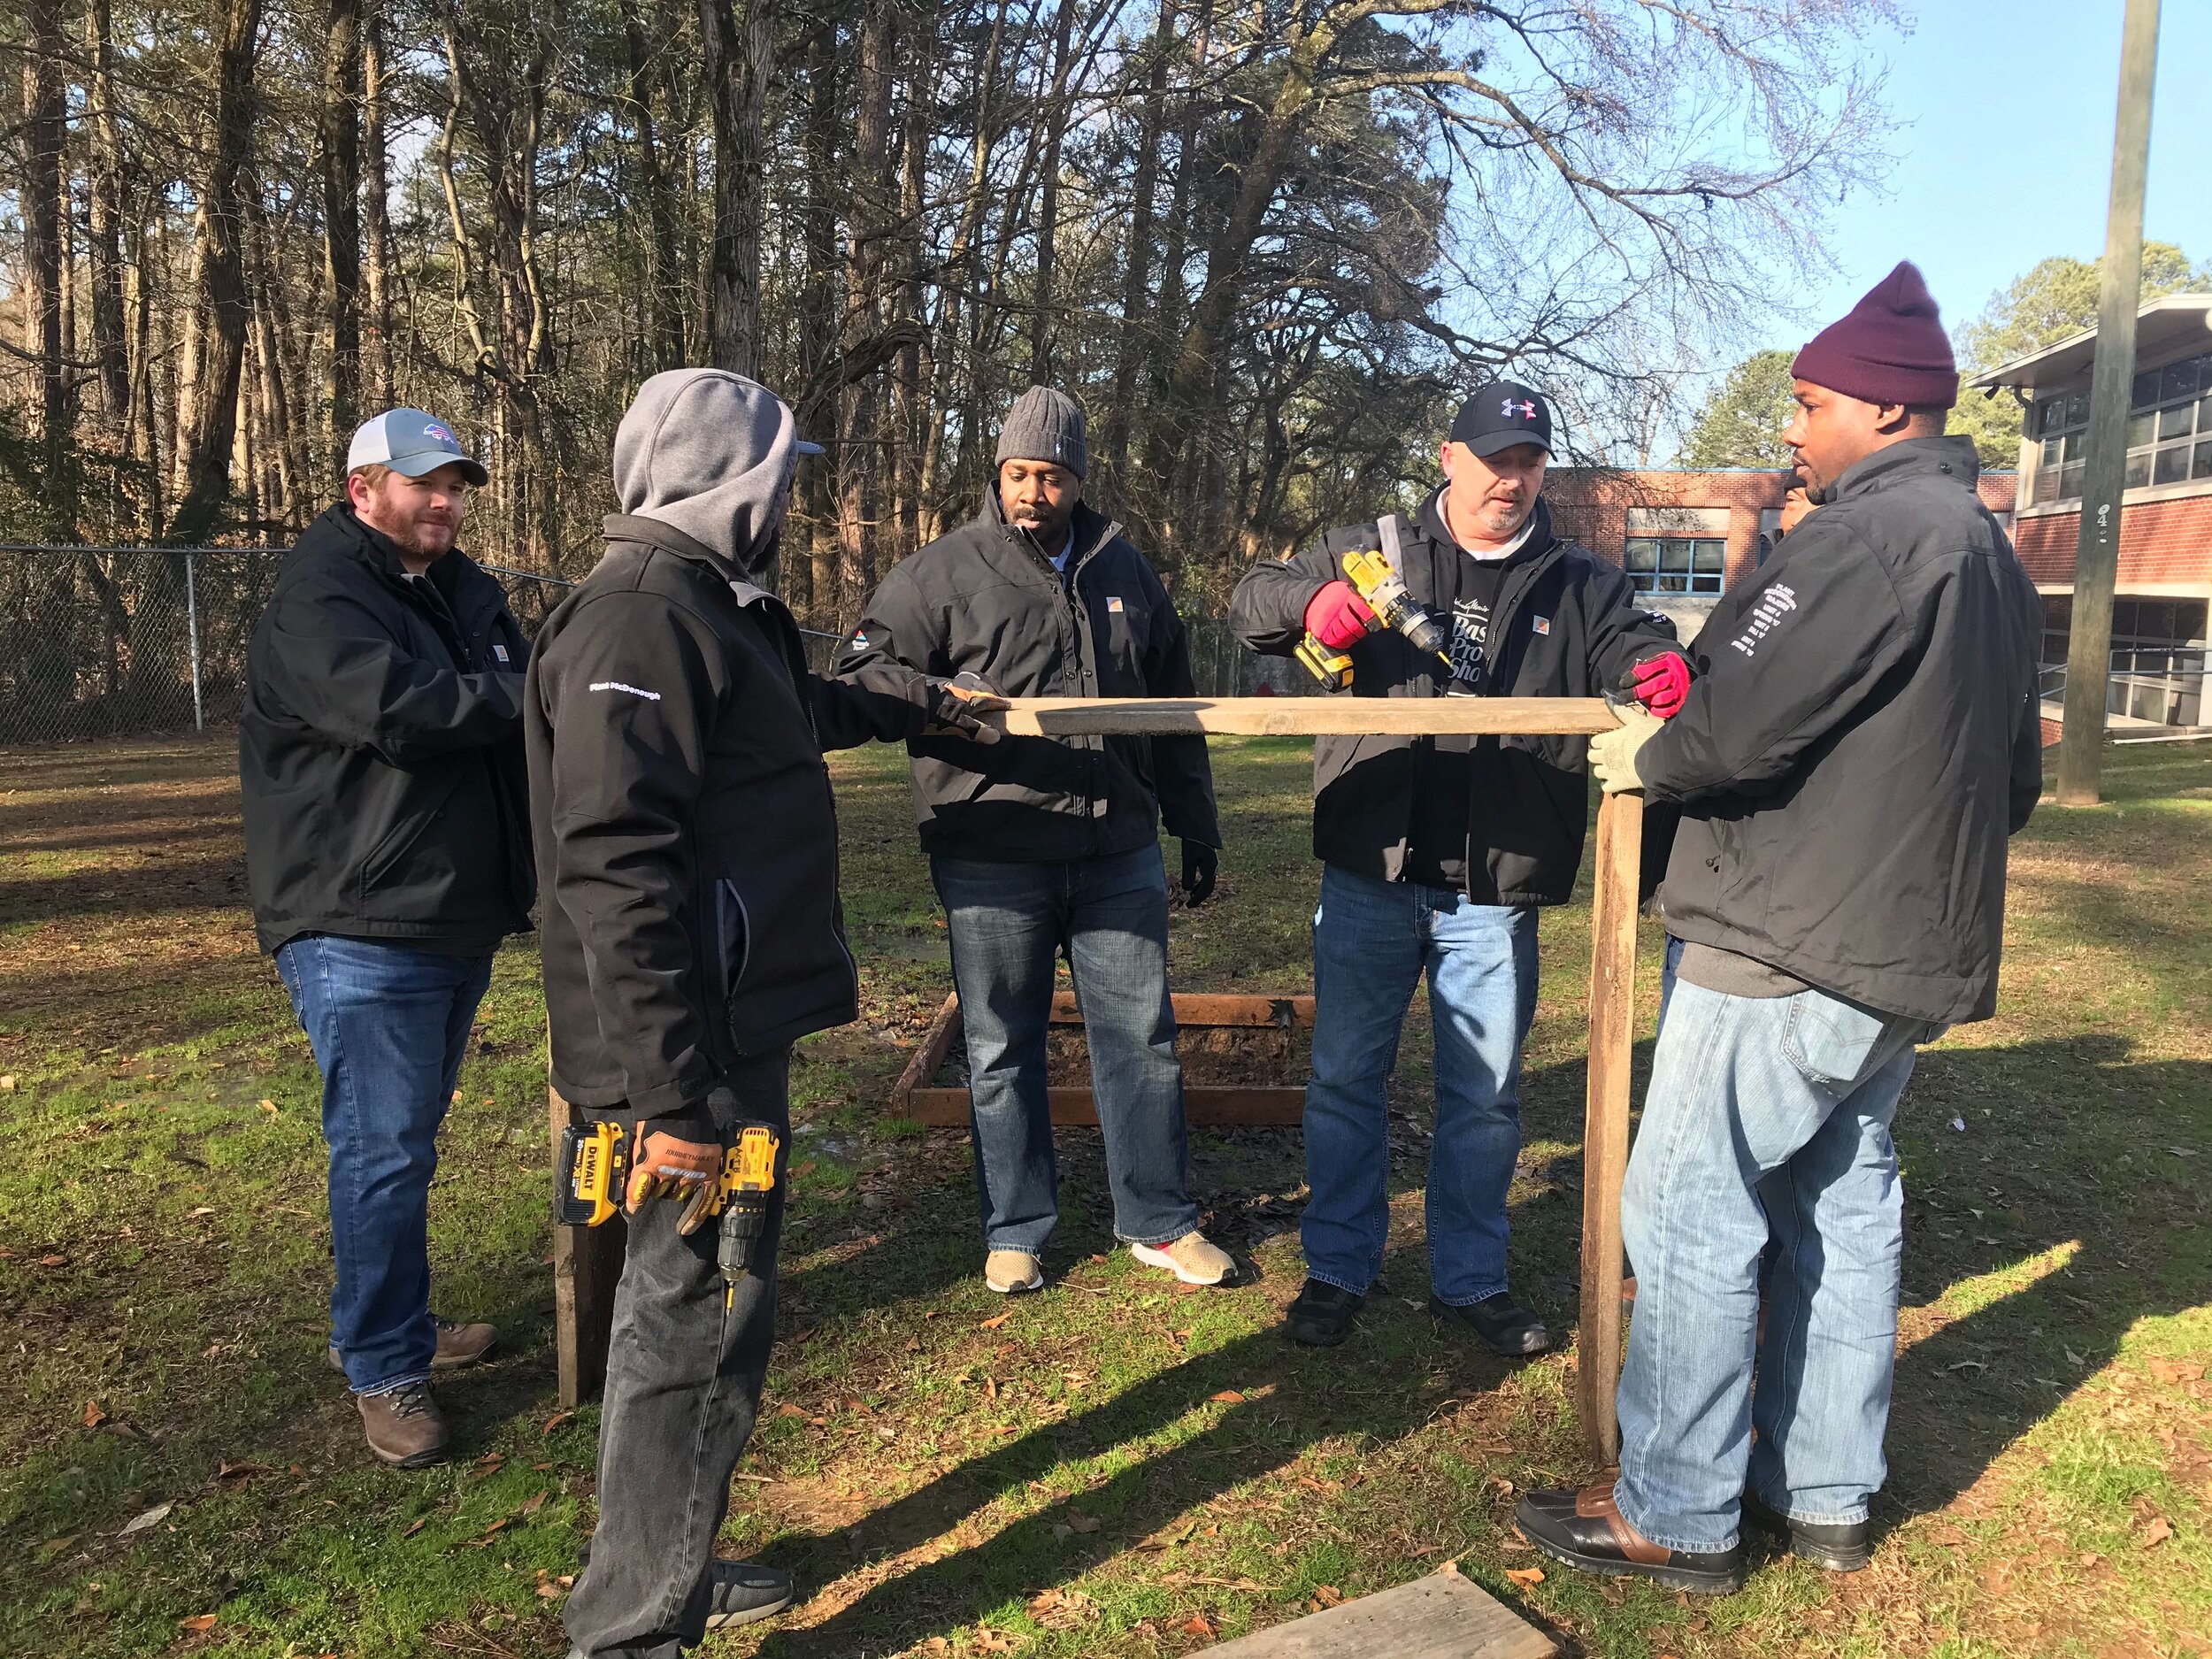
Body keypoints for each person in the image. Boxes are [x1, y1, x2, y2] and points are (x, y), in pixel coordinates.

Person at [1517, 263, 2043, 1594]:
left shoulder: (1861, 539)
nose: (1790, 430)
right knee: (1839, 1203)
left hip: (1786, 940)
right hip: (1905, 952)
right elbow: (2016, 778)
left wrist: (1652, 752)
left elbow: (1738, 714)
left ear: (1882, 407)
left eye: (1807, 404)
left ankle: (1678, 1508)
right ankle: (1823, 1494)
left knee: (1690, 1202)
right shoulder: (1985, 550)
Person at [529, 369, 999, 1653]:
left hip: (726, 1037)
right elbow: (612, 869)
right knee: (690, 1314)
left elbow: (795, 711)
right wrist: (672, 1098)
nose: (794, 495)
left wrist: (918, 698)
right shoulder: (638, 622)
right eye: (783, 472)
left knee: (715, 1306)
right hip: (686, 1063)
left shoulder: (713, 611)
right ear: (727, 478)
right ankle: (630, 1626)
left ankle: (668, 1560)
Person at [1228, 382, 1689, 1353]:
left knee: (1482, 1097)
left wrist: (1658, 663)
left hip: (1492, 890)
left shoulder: (1577, 581)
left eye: (1528, 463)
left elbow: (1635, 639)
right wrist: (1312, 602)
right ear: (1449, 458)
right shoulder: (1378, 551)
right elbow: (1249, 601)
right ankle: (1337, 1267)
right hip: (1368, 870)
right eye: (1493, 461)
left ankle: (1469, 1278)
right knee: (1346, 1079)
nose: (1511, 481)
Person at [836, 386, 1236, 1295]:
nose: (1031, 491)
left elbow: (1174, 711)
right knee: (998, 1045)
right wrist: (938, 699)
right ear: (998, 471)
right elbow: (859, 673)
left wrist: (1194, 821)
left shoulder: (1126, 572)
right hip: (991, 851)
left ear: (1078, 480)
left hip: (1117, 850)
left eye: (1050, 476)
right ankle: (1015, 1227)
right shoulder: (939, 573)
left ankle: (1160, 1220)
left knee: (1140, 1037)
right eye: (1017, 472)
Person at [240, 410, 524, 1469]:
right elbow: (405, 712)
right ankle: (382, 1364)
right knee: (382, 1149)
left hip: (451, 912)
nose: (444, 502)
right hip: (356, 916)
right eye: (422, 484)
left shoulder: (465, 593)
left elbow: (514, 699)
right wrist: (525, 693)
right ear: (363, 489)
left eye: (455, 485)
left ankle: (397, 1323)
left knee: (403, 1143)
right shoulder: (320, 598)